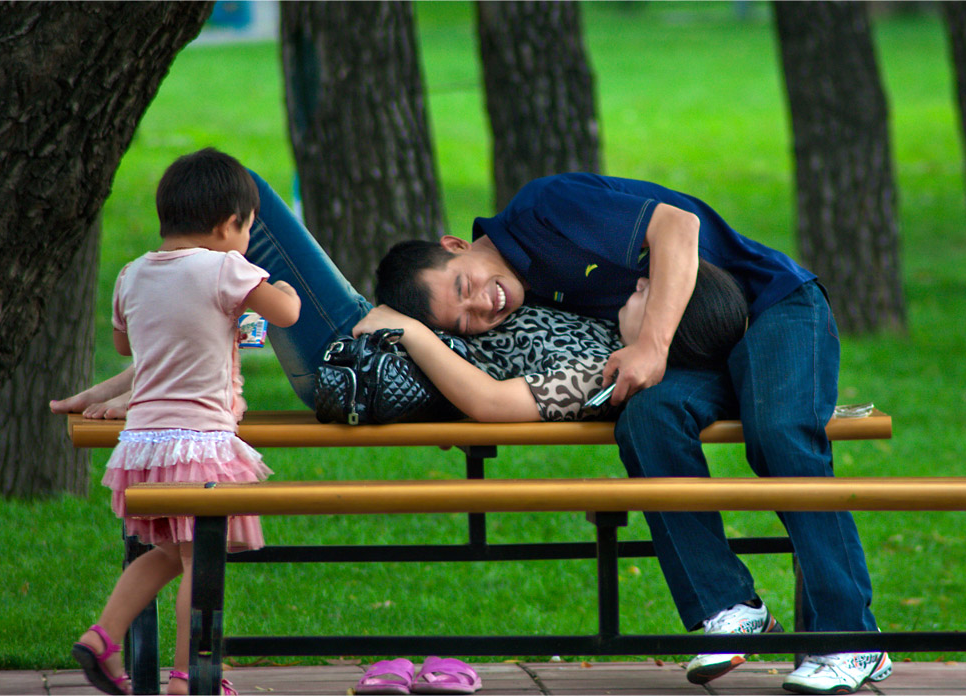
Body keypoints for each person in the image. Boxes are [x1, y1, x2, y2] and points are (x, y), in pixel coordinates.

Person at [372, 173, 891, 695]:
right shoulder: (521, 300)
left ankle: (850, 638)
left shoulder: (544, 209)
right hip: (700, 356)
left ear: (456, 245)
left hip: (771, 310)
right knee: (646, 420)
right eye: (462, 322)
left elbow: (678, 227)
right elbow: (513, 374)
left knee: (779, 432)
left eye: (463, 287)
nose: (480, 307)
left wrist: (653, 346)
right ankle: (731, 607)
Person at [69, 149, 301, 696]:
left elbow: (127, 345)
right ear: (229, 225)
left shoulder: (132, 274)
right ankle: (189, 675)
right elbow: (286, 314)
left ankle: (104, 637)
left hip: (143, 445)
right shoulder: (226, 268)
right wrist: (284, 290)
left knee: (170, 552)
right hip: (199, 442)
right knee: (202, 560)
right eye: (247, 229)